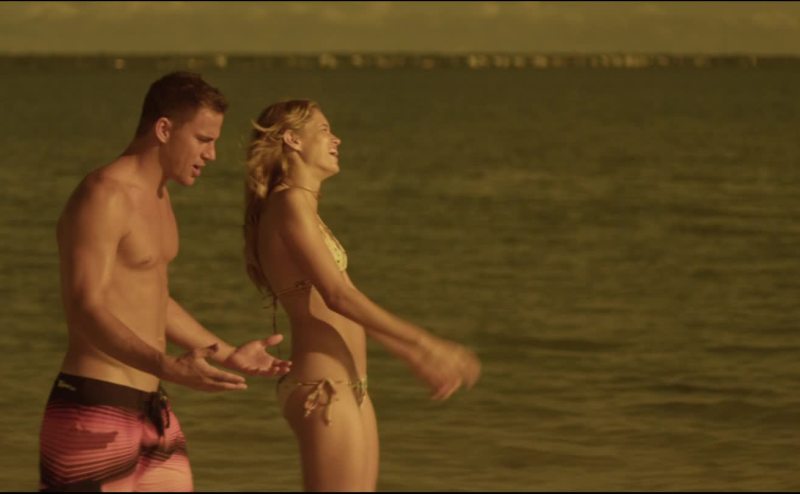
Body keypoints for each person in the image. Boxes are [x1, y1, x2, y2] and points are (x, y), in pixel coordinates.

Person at [39, 71, 291, 492]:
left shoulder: (159, 195)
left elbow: (153, 299)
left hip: (152, 408)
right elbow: (86, 306)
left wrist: (227, 354)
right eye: (203, 139)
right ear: (163, 129)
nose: (212, 154)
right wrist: (167, 366)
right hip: (94, 407)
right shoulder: (104, 194)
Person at [243, 99, 481, 491]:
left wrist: (410, 354)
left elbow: (348, 298)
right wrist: (427, 343)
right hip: (322, 387)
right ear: (292, 139)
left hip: (351, 385)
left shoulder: (300, 207)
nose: (336, 139)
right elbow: (337, 296)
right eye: (324, 130)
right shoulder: (288, 203)